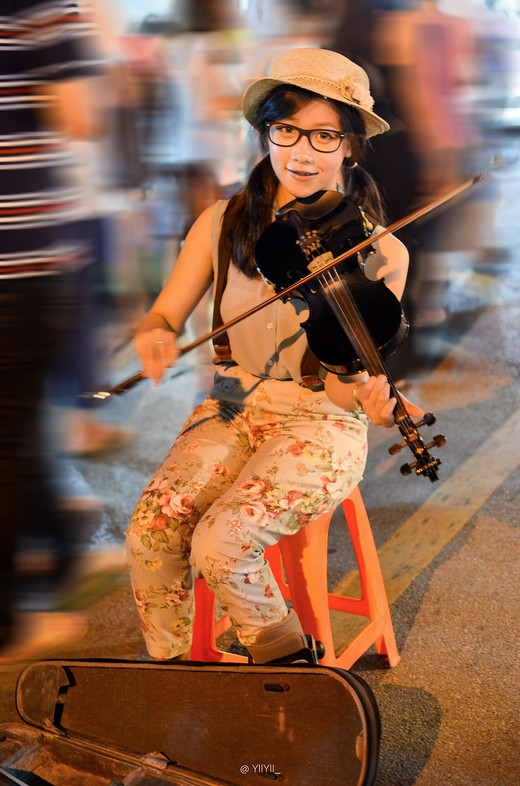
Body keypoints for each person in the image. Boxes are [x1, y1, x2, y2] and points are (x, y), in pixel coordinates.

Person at [126, 47, 423, 664]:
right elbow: (165, 314)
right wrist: (154, 331)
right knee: (152, 530)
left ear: (349, 146)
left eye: (323, 135)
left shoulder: (380, 253)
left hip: (321, 420)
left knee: (223, 542)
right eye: (286, 130)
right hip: (232, 404)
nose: (302, 152)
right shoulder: (222, 222)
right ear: (266, 132)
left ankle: (287, 664)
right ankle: (173, 669)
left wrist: (367, 395)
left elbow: (343, 386)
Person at [0, 0, 105, 658]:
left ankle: (60, 555)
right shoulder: (42, 7)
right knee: (8, 438)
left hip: (25, 259)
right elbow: (79, 116)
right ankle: (8, 618)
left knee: (18, 420)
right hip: (22, 258)